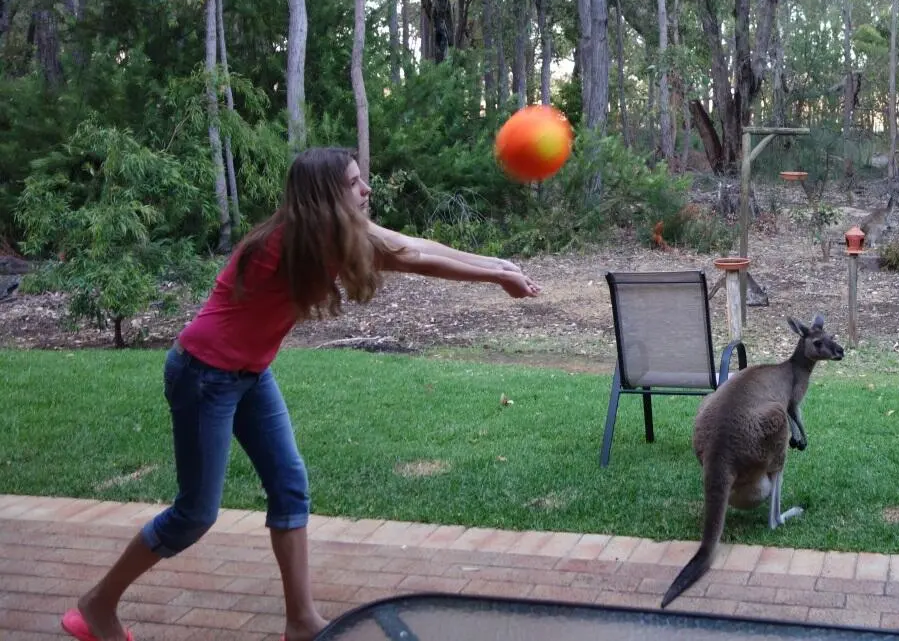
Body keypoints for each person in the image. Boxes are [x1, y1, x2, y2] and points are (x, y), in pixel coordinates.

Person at [63, 147, 541, 641]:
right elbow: (411, 259)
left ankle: (300, 621)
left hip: (248, 374)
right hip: (204, 375)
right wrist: (495, 276)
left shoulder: (322, 229)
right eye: (355, 182)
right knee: (195, 514)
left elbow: (412, 242)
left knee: (289, 486)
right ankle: (97, 604)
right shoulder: (300, 242)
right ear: (327, 194)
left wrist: (498, 263)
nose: (366, 190)